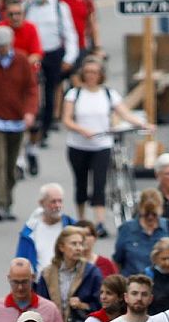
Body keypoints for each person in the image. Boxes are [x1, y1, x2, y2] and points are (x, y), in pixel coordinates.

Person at [61, 57, 152, 236]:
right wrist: (82, 130)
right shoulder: (74, 94)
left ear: (100, 75)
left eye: (94, 72)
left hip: (102, 145)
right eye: (87, 72)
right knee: (81, 183)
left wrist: (143, 124)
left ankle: (99, 222)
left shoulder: (108, 94)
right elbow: (66, 119)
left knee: (99, 183)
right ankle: (81, 220)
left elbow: (124, 114)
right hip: (78, 145)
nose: (91, 76)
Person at [0, 26, 39, 221]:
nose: (1, 50)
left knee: (12, 166)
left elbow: (31, 88)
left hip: (16, 121)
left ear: (11, 44)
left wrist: (30, 112)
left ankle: (8, 202)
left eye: (4, 46)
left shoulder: (21, 60)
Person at [24, 0, 79, 147]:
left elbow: (70, 33)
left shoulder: (59, 7)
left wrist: (70, 57)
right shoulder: (28, 7)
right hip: (32, 55)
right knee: (32, 93)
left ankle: (45, 130)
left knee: (50, 92)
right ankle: (33, 126)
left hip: (52, 53)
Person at [36, 226, 103, 322]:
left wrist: (82, 305)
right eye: (73, 244)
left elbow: (100, 305)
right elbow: (40, 304)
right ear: (61, 247)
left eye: (81, 244)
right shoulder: (47, 273)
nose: (78, 248)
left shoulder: (92, 273)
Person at [113, 190, 169, 278]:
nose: (150, 217)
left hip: (164, 282)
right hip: (133, 282)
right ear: (140, 209)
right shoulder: (127, 228)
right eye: (146, 214)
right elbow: (117, 260)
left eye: (154, 214)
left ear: (161, 209)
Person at [14, 183, 75, 273]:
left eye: (60, 201)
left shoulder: (72, 227)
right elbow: (19, 263)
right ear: (41, 203)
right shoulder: (30, 231)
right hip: (39, 284)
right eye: (53, 202)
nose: (58, 205)